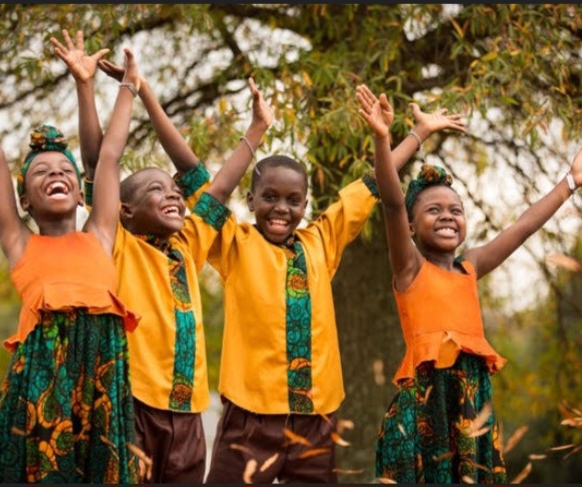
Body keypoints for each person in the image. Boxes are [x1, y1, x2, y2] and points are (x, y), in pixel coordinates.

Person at [170, 89, 465, 483]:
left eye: (293, 200)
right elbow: (200, 182)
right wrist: (145, 93)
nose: (281, 208)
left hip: (316, 418)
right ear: (251, 198)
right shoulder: (234, 242)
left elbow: (376, 183)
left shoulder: (321, 241)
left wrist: (417, 134)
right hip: (251, 417)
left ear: (306, 205)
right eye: (269, 197)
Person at [51, 29, 273, 483]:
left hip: (188, 412)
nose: (174, 197)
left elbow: (214, 181)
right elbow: (100, 164)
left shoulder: (188, 245)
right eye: (158, 191)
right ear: (124, 210)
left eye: (174, 193)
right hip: (133, 405)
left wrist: (256, 129)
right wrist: (86, 85)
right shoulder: (118, 243)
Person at [357, 82, 582, 483]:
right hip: (426, 410)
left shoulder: (470, 266)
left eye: (455, 210)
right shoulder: (409, 268)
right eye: (433, 210)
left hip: (470, 408)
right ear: (410, 226)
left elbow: (524, 227)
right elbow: (391, 201)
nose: (447, 215)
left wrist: (570, 181)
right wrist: (381, 138)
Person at [0, 46, 142, 482]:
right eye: (41, 172)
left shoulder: (100, 233)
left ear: (78, 190)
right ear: (25, 201)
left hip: (102, 372)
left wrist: (127, 86)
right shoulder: (19, 242)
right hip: (43, 375)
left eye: (65, 171)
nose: (57, 174)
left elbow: (109, 156)